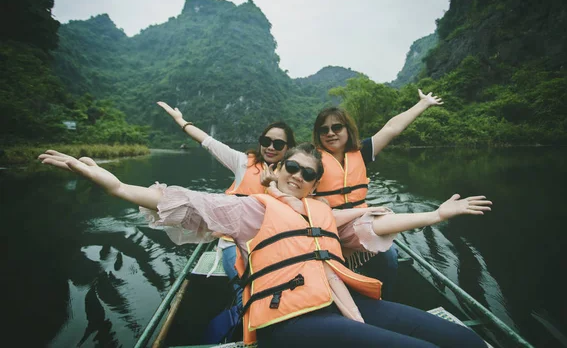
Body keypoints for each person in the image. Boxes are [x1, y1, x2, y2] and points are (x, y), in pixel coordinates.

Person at [39, 143, 491, 348]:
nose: (297, 175)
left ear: (315, 184)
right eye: (291, 165)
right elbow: (186, 202)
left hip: (342, 305)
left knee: (462, 339)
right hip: (287, 321)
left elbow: (378, 223)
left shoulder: (324, 215)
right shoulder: (251, 209)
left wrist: (436, 215)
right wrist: (116, 186)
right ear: (279, 167)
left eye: (308, 173)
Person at [158, 101, 296, 305]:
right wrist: (181, 121)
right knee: (245, 282)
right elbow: (208, 142)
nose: (270, 147)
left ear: (288, 148)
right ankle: (244, 323)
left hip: (272, 242)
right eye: (266, 141)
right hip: (234, 242)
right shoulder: (242, 162)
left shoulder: (294, 175)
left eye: (278, 144)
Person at [312, 89, 443, 299]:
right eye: (323, 129)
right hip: (328, 225)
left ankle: (384, 299)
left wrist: (423, 103)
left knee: (389, 256)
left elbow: (392, 128)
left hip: (360, 222)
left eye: (336, 127)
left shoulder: (361, 152)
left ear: (347, 129)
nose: (330, 133)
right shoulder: (312, 159)